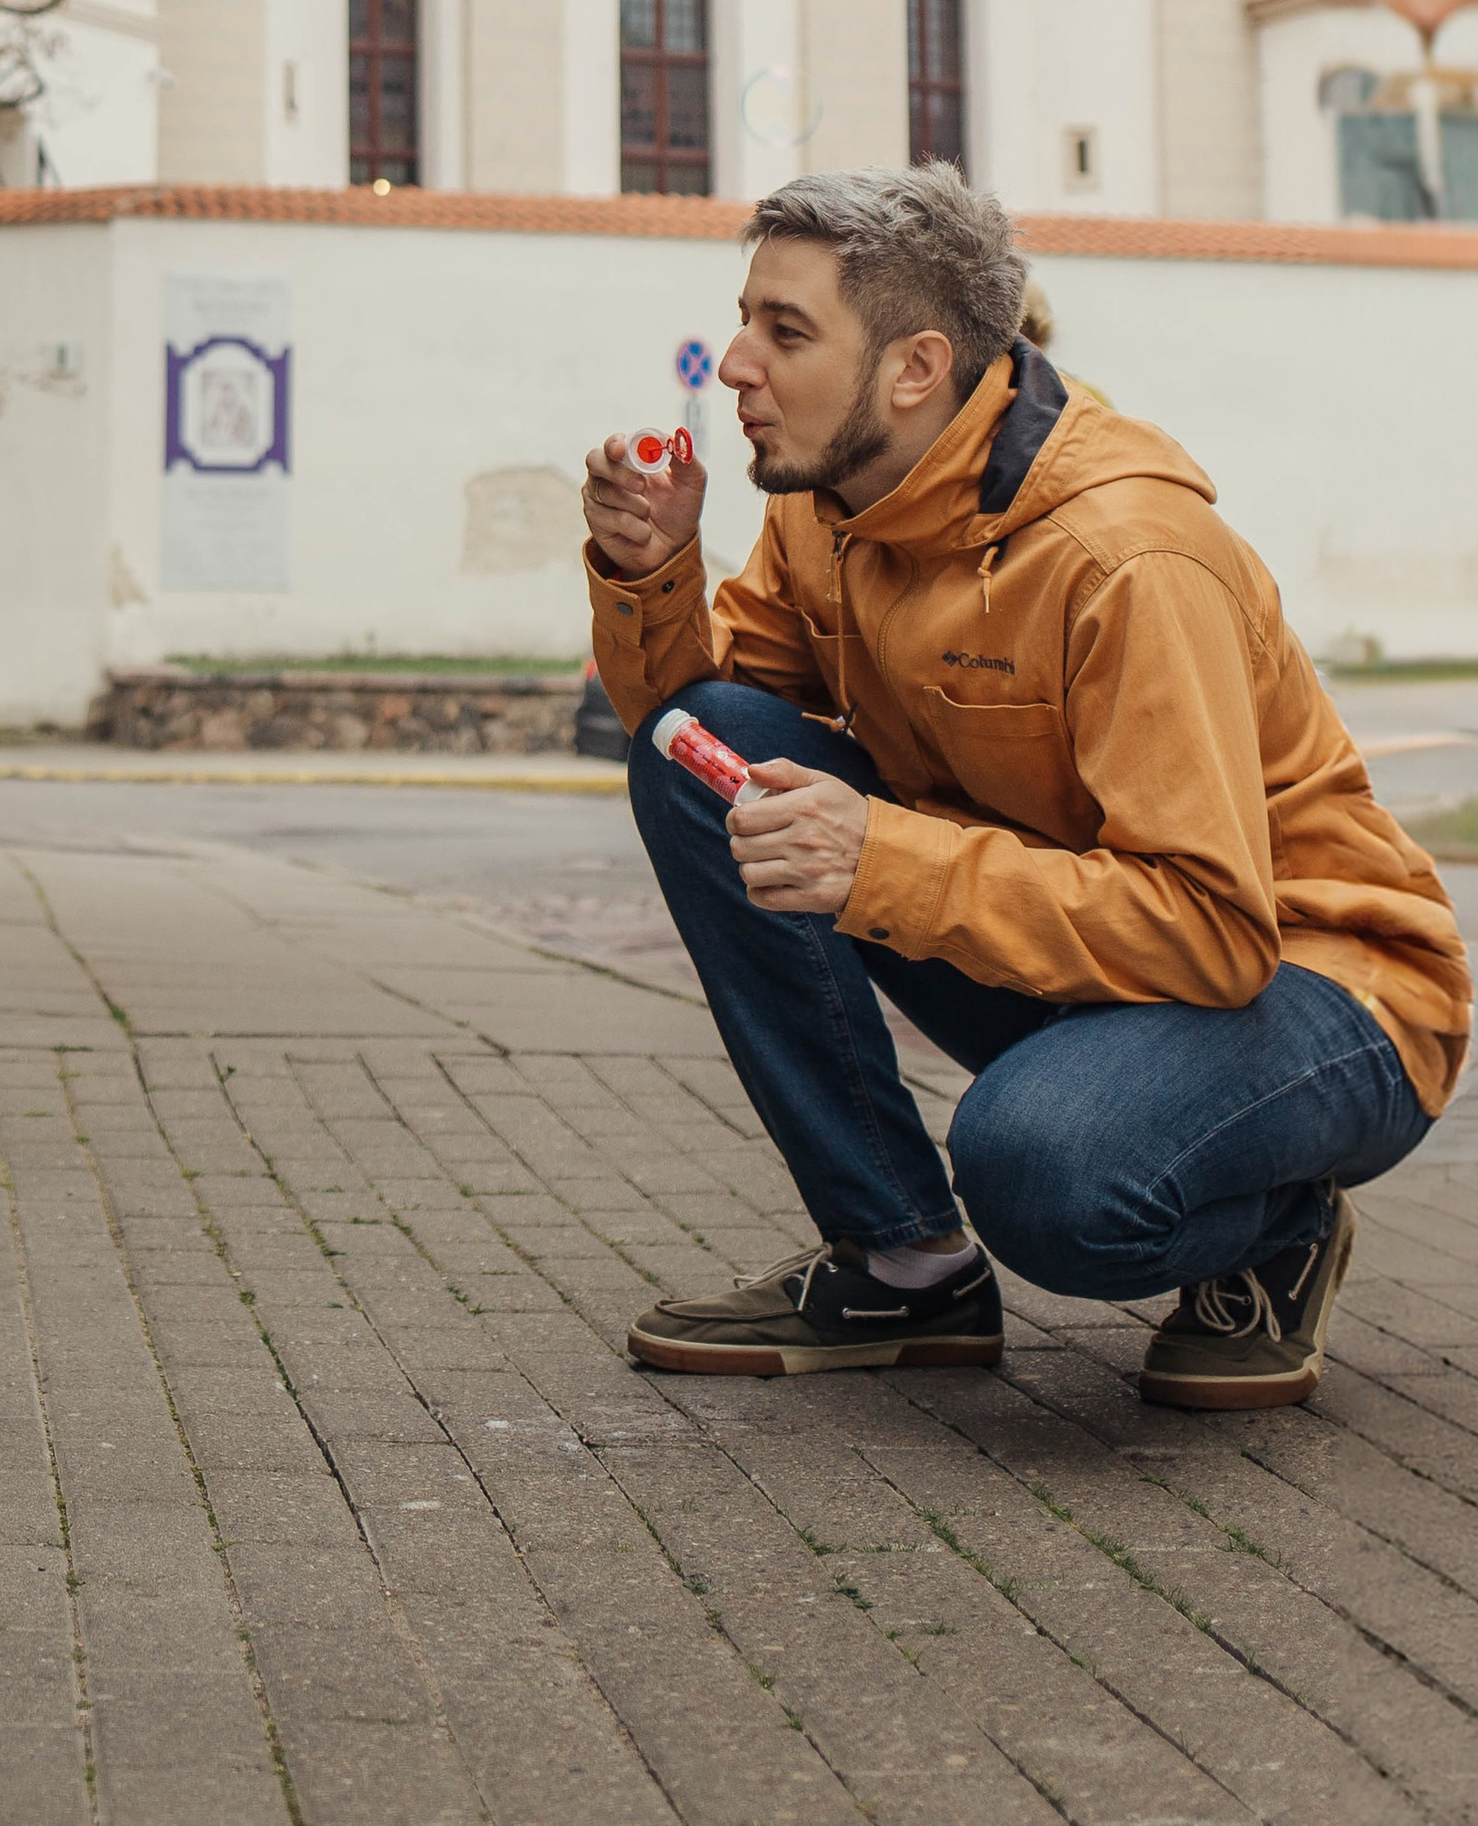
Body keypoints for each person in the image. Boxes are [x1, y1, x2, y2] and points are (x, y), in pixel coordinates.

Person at [583, 167, 1469, 1410]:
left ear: (914, 367)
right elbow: (692, 731)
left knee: (1046, 1175)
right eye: (745, 318)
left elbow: (1214, 931)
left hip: (1321, 982)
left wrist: (880, 859)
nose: (734, 362)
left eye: (784, 331)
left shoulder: (1127, 557)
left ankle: (1277, 1228)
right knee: (703, 741)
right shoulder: (831, 505)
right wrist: (653, 571)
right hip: (1089, 955)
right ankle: (904, 1263)